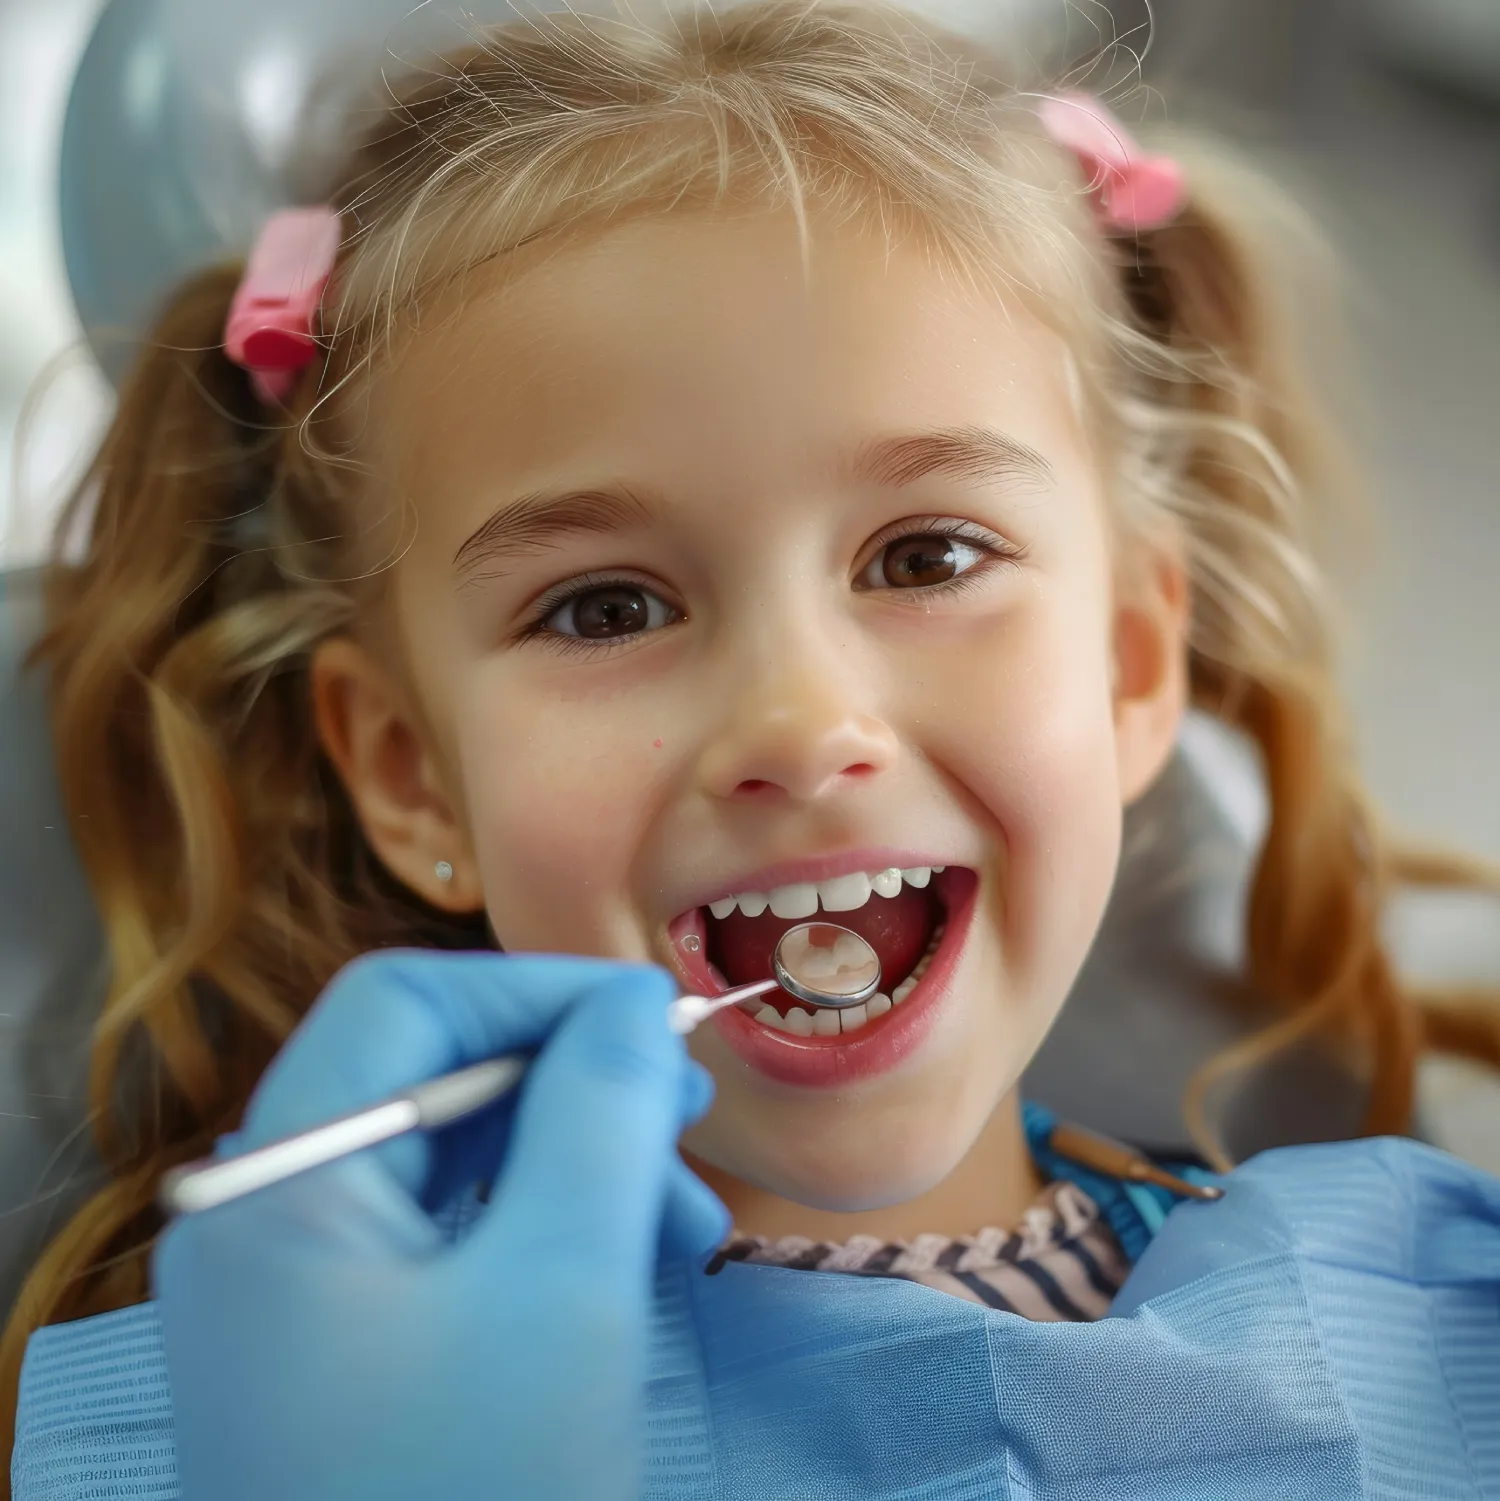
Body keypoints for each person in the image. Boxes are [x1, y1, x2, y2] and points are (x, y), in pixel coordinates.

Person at [5, 3, 1499, 1497]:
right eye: (605, 606)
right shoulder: (263, 1436)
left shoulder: (1439, 1317)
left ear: (1125, 666)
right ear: (410, 771)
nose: (796, 722)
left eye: (926, 557)